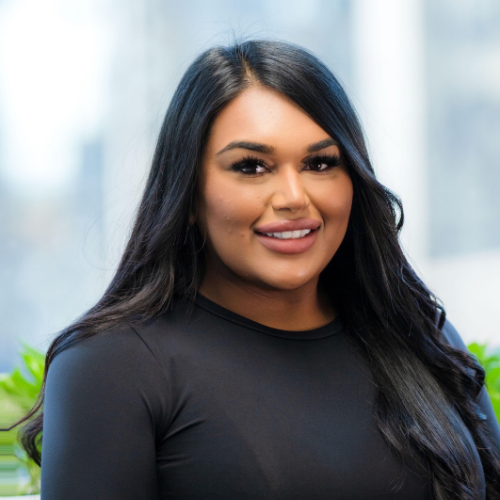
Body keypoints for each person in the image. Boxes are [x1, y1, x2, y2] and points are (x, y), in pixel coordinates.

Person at [16, 40, 500, 499]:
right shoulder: (110, 367)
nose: (293, 197)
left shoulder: (421, 334)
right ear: (188, 193)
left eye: (319, 163)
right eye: (251, 167)